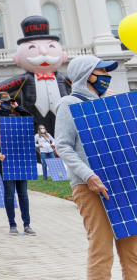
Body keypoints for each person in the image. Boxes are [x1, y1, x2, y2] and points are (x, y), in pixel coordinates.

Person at [55, 55, 137, 279]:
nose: (107, 76)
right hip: (89, 187)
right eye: (103, 71)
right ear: (88, 74)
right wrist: (89, 176)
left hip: (121, 186)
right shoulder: (69, 103)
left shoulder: (104, 106)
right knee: (101, 249)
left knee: (133, 251)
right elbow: (62, 145)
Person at [0, 92, 35, 236]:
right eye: (4, 101)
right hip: (4, 160)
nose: (7, 103)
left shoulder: (16, 115)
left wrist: (18, 108)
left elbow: (32, 123)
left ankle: (27, 224)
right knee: (10, 192)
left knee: (23, 193)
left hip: (20, 159)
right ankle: (12, 224)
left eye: (9, 101)